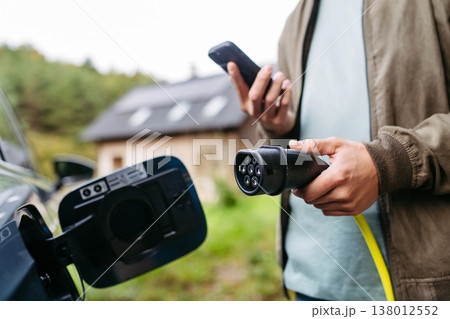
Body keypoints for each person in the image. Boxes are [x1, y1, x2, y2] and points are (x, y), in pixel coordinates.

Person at [228, 0, 450, 301]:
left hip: (419, 288)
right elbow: (306, 131)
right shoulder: (296, 20)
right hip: (308, 281)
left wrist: (390, 161)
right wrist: (279, 127)